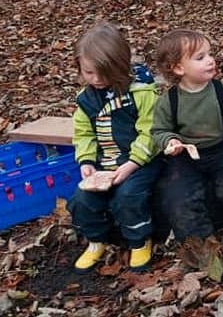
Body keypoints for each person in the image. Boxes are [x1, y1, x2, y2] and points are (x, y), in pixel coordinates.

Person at [151, 29, 223, 251]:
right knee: (178, 196)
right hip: (187, 155)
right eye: (200, 58)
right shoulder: (169, 101)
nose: (210, 61)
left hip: (222, 149)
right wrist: (171, 141)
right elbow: (159, 130)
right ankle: (197, 241)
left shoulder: (221, 91)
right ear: (179, 68)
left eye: (210, 54)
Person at [67, 23, 161, 273]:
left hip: (139, 161)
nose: (96, 80)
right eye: (89, 72)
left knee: (128, 196)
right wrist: (86, 161)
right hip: (105, 164)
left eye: (103, 73)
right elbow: (84, 133)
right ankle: (96, 240)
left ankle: (139, 240)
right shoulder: (86, 100)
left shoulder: (140, 92)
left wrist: (132, 164)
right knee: (81, 200)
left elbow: (150, 130)